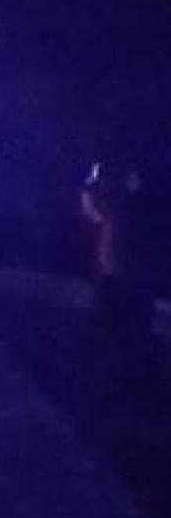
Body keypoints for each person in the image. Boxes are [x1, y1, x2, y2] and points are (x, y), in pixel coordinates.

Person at [81, 157, 160, 397]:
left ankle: (125, 382)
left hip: (126, 279)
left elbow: (92, 213)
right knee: (119, 331)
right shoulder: (120, 208)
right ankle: (121, 381)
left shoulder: (129, 210)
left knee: (123, 331)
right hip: (122, 278)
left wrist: (88, 185)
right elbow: (93, 214)